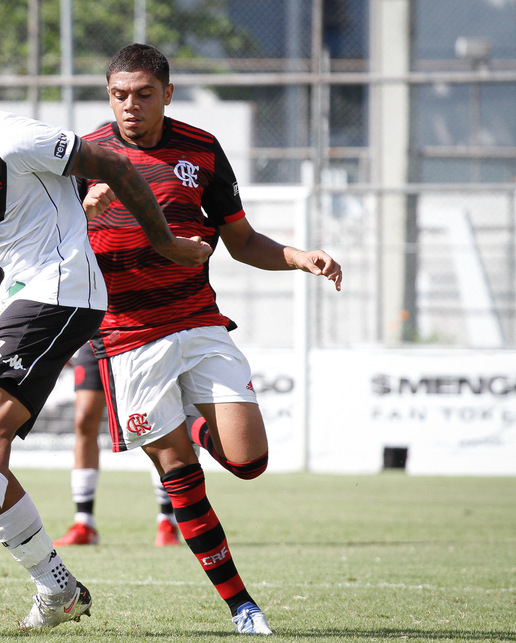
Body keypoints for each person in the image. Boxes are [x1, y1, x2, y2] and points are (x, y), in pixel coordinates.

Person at [0, 57, 211, 631]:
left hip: (62, 288)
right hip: (11, 305)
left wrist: (167, 243)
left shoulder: (13, 137)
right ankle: (58, 588)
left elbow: (113, 164)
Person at [80, 44, 343, 636]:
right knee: (180, 473)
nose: (130, 105)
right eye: (119, 95)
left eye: (144, 94)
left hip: (197, 319)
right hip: (128, 337)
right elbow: (51, 247)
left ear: (167, 94)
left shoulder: (201, 150)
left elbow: (242, 241)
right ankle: (242, 607)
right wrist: (85, 215)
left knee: (250, 463)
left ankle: (190, 425)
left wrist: (299, 256)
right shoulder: (85, 157)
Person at [53, 342, 181, 547]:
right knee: (84, 420)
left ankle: (168, 521)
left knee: (153, 421)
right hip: (94, 341)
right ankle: (84, 523)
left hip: (135, 341)